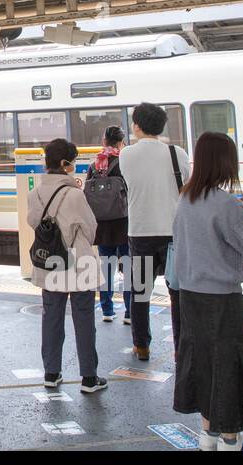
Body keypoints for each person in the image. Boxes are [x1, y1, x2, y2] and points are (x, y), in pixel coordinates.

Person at [172, 132, 243, 451]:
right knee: (228, 365)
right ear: (226, 162)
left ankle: (207, 435)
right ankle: (231, 440)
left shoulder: (185, 198)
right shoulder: (227, 205)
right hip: (222, 300)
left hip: (190, 297)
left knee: (204, 363)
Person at [27, 138, 107, 394]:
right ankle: (89, 378)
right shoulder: (74, 194)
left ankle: (51, 373)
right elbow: (90, 228)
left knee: (51, 316)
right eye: (72, 161)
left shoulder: (35, 193)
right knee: (84, 317)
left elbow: (33, 223)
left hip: (50, 262)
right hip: (78, 262)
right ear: (65, 164)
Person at [118, 102, 189, 361]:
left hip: (140, 233)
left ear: (136, 126)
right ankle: (181, 348)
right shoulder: (177, 153)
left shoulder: (126, 155)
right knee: (178, 294)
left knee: (140, 293)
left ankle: (142, 345)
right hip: (173, 233)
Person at [90, 125, 131, 325]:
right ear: (121, 142)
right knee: (129, 267)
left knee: (106, 267)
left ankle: (107, 310)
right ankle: (130, 312)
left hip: (102, 224)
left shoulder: (95, 164)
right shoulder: (124, 162)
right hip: (123, 222)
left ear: (104, 141)